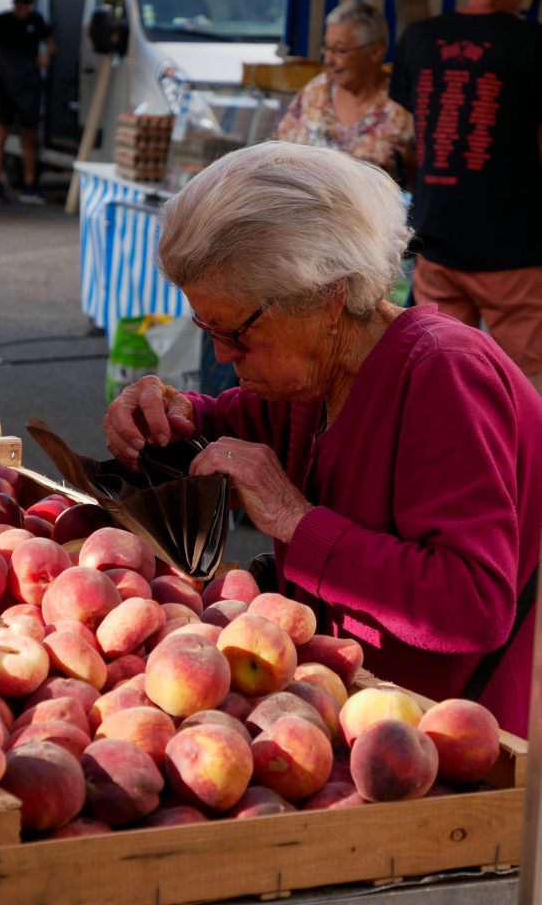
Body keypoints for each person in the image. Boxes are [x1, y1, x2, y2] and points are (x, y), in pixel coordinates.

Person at [103, 141, 542, 738]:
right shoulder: (310, 379)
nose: (221, 355)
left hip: (441, 746)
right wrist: (165, 414)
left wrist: (292, 516)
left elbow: (471, 605)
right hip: (340, 713)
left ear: (328, 299)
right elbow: (225, 423)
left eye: (234, 333)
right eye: (206, 328)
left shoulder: (444, 374)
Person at [389, 0, 542, 392]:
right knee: (530, 381)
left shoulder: (417, 39)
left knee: (436, 373)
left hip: (437, 238)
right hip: (515, 251)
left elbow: (417, 135)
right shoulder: (534, 45)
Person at [277, 0, 414, 184]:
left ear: (375, 52)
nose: (328, 60)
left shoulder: (403, 105)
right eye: (326, 48)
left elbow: (419, 180)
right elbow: (278, 153)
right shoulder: (314, 93)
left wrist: (412, 166)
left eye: (339, 50)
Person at [0, 0, 56, 205]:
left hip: (28, 83)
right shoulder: (0, 21)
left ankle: (30, 183)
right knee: (0, 133)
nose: (22, 11)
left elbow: (51, 45)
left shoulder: (37, 21)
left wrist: (45, 54)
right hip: (5, 82)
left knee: (28, 135)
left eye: (25, 8)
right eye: (19, 7)